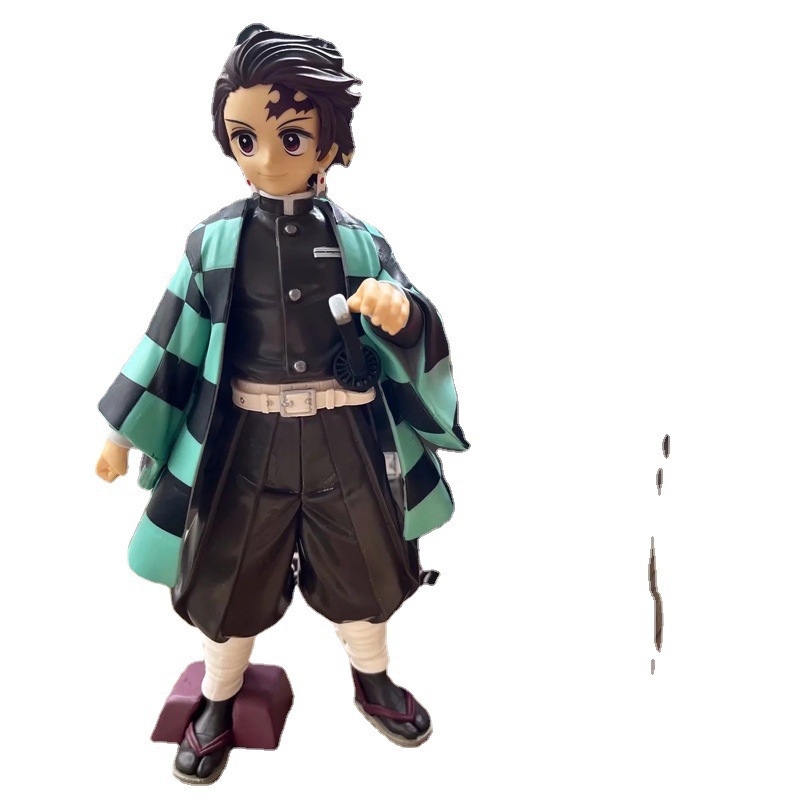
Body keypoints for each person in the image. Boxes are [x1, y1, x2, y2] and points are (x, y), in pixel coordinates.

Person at [96, 24, 467, 785]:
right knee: (227, 575)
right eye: (246, 139)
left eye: (291, 137)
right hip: (245, 442)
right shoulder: (211, 244)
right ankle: (218, 696)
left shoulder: (361, 243)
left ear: (332, 144)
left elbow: (416, 321)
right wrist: (121, 432)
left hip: (344, 436)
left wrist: (399, 314)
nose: (266, 158)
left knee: (366, 563)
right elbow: (168, 339)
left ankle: (373, 678)